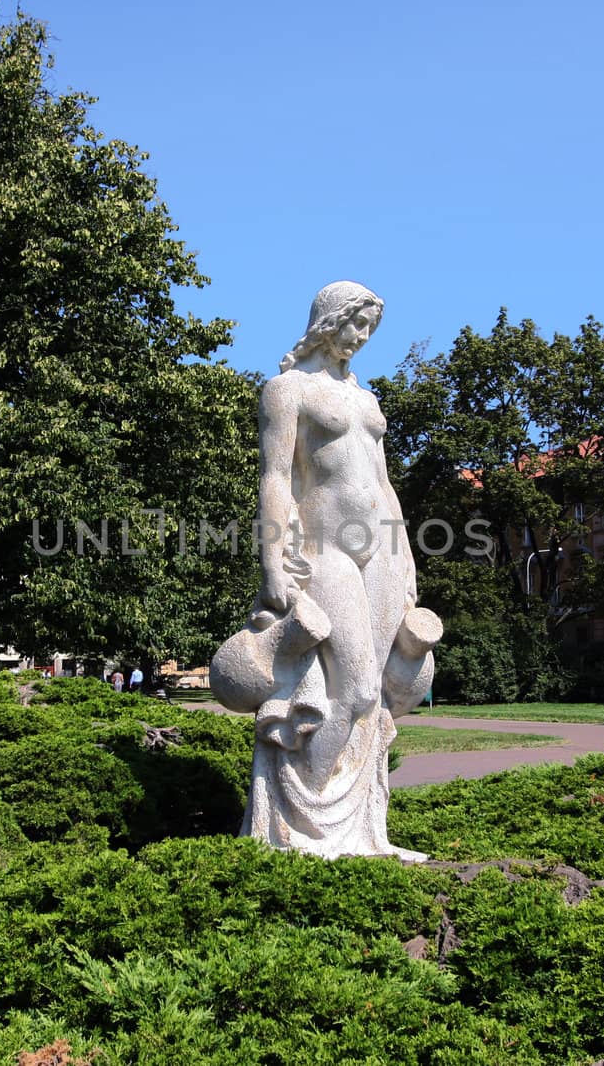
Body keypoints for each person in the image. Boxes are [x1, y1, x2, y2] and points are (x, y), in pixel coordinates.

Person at [211, 281, 440, 860]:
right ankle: (306, 829)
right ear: (326, 321)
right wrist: (270, 563)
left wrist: (407, 553)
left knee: (382, 696)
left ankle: (367, 833)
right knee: (355, 689)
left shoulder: (367, 401)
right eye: (354, 324)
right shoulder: (286, 390)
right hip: (326, 552)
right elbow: (274, 478)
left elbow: (385, 484)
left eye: (370, 329)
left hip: (381, 552)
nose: (360, 338)